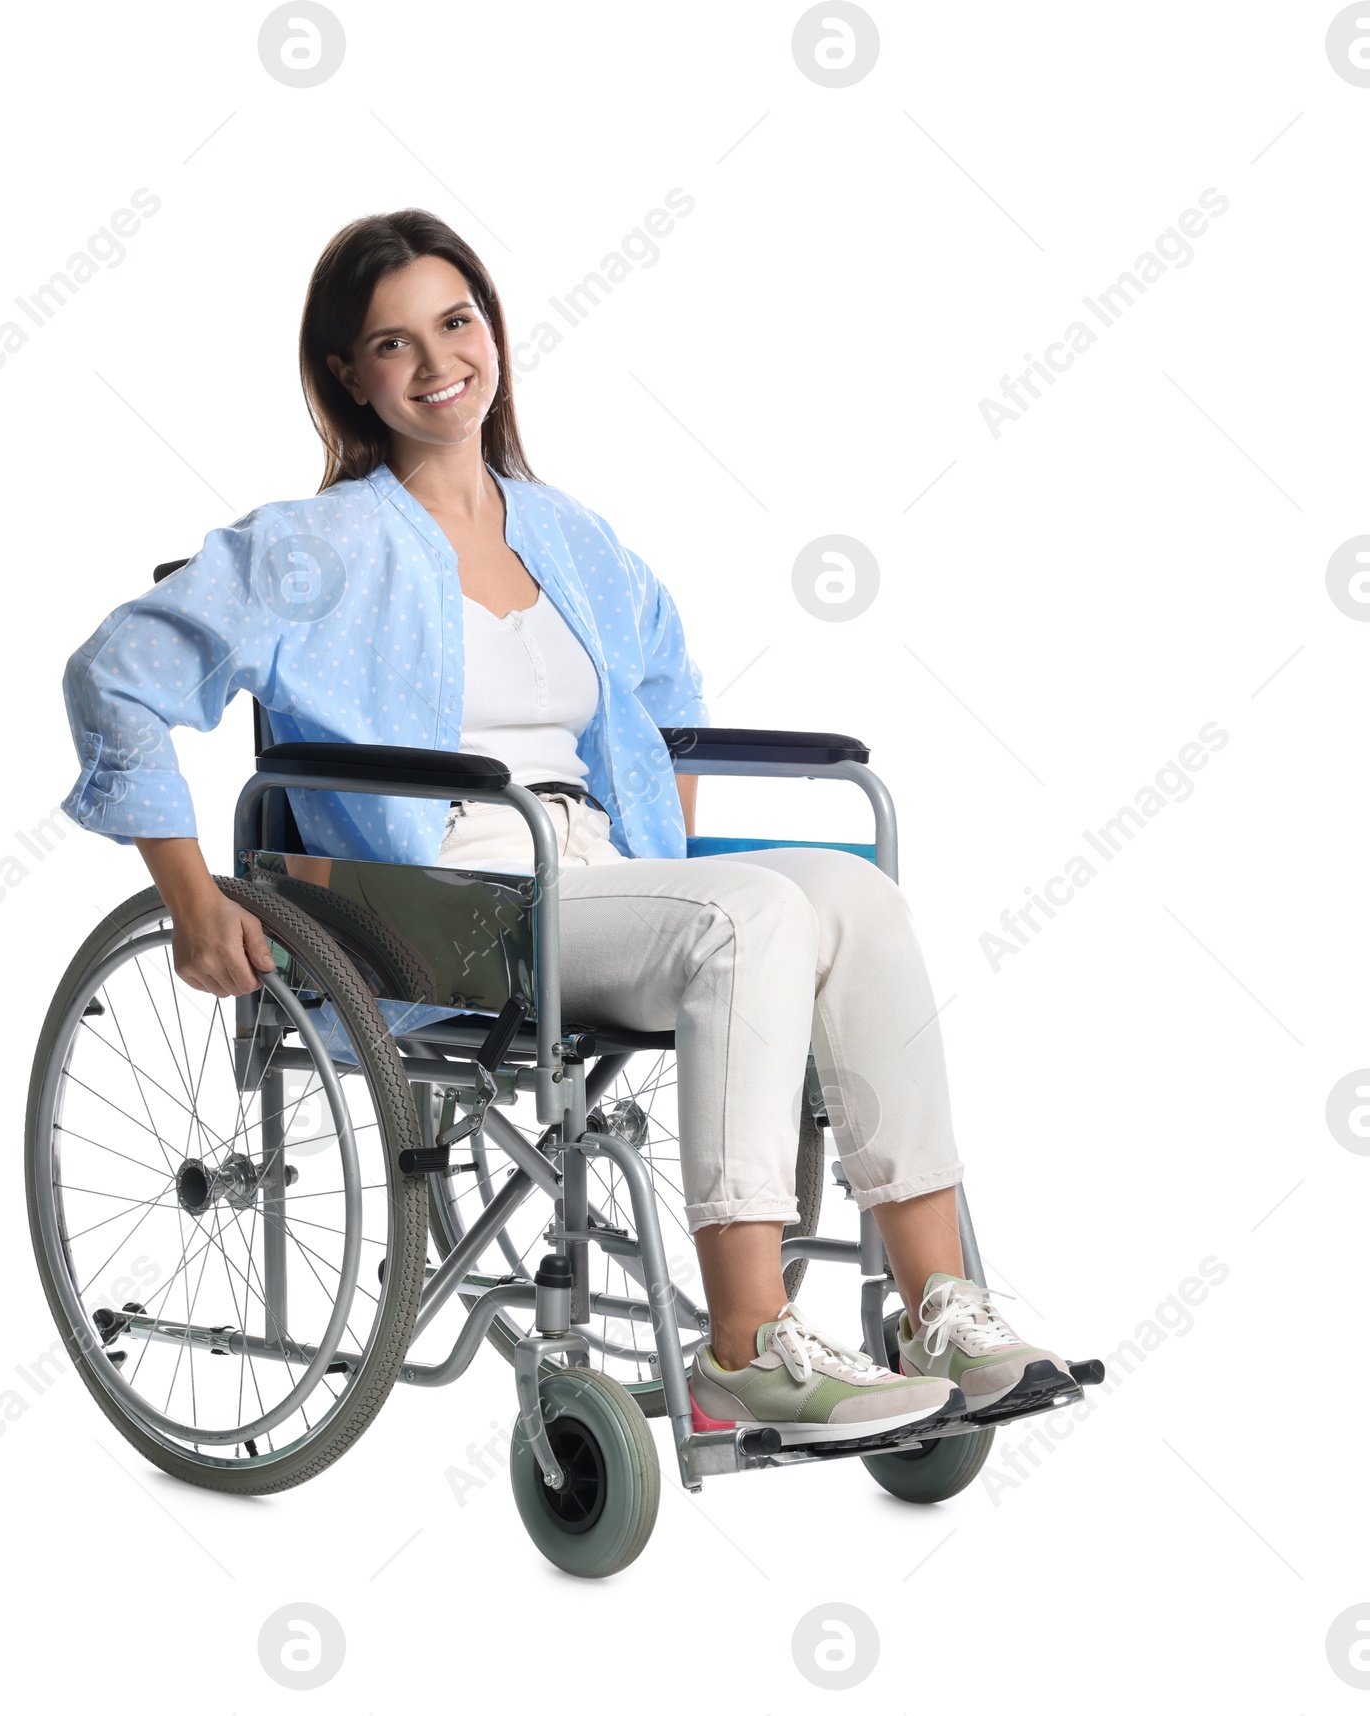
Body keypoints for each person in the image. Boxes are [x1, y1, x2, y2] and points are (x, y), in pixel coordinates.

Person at [60, 208, 1080, 1441]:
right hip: (437, 895)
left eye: (456, 321)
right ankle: (745, 1348)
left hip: (589, 872)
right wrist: (189, 898)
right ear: (347, 376)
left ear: (491, 329)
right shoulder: (313, 546)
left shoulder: (570, 536)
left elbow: (665, 697)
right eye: (392, 344)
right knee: (750, 913)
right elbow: (115, 675)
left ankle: (937, 1308)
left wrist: (672, 875)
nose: (438, 362)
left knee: (853, 895)